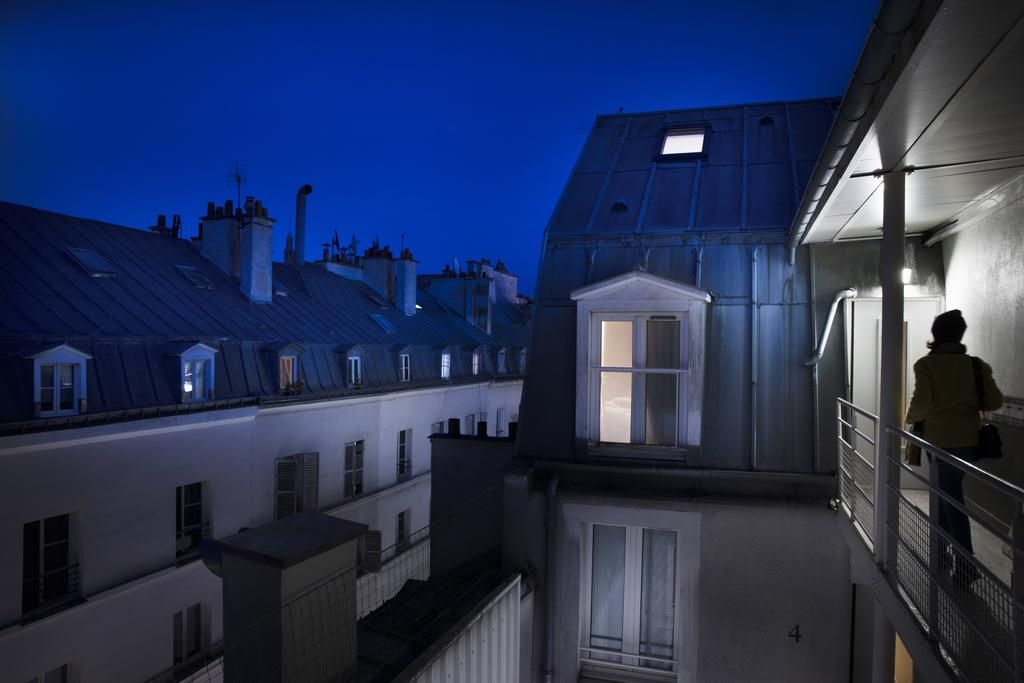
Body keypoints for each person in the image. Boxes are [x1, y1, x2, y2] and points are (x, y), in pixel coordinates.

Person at [906, 309, 1002, 586]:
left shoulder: (926, 365)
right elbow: (994, 402)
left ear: (936, 334)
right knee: (944, 494)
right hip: (969, 442)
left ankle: (965, 562)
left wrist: (908, 419)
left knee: (948, 497)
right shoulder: (976, 365)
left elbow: (921, 403)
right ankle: (941, 551)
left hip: (938, 442)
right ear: (960, 334)